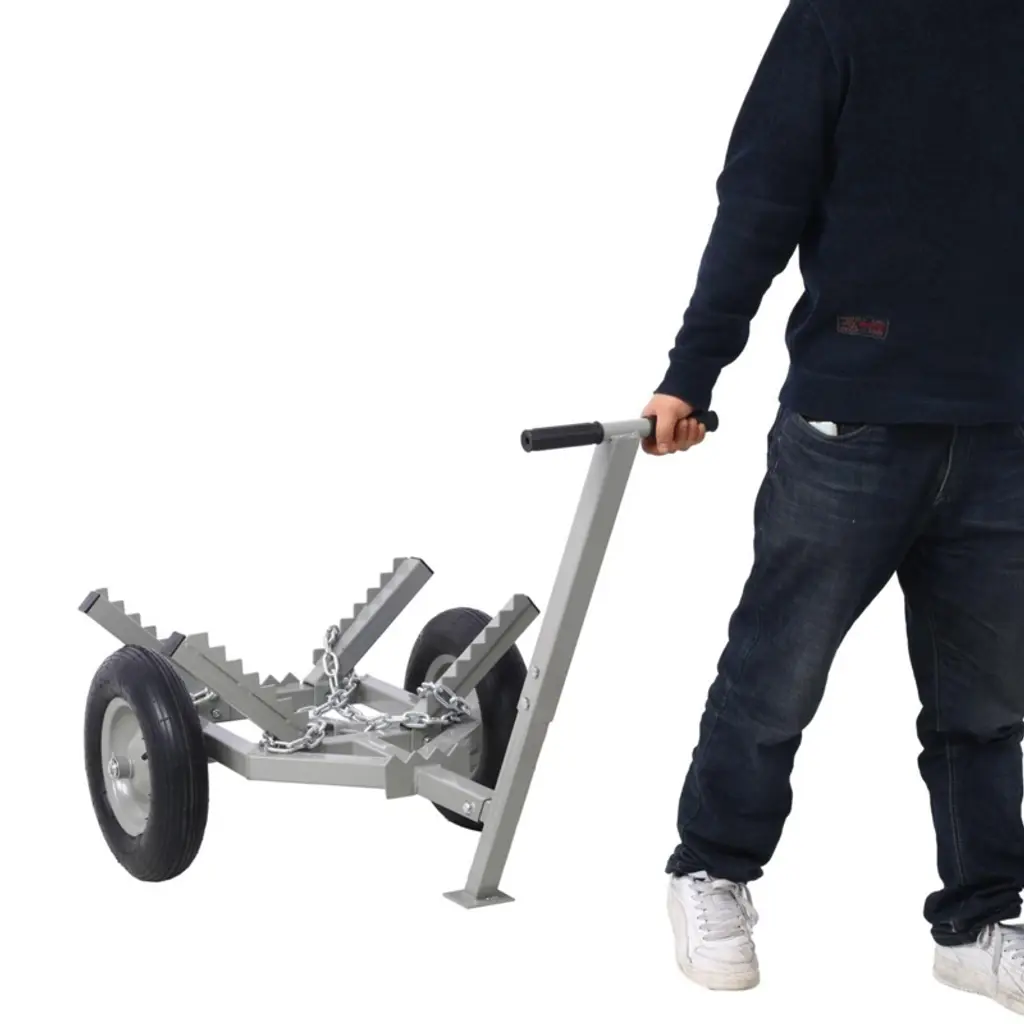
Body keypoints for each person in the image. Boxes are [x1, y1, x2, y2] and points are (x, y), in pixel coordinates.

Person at [641, 0, 1024, 1014]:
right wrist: (692, 371)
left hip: (1003, 431)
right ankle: (709, 868)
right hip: (853, 424)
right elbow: (761, 197)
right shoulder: (840, 18)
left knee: (988, 708)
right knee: (775, 678)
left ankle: (981, 921)